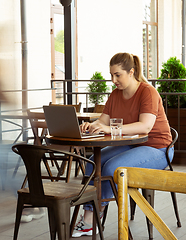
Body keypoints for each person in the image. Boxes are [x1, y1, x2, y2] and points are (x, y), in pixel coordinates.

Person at [72, 52, 173, 237]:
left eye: (117, 75)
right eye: (111, 75)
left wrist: (109, 129)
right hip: (133, 145)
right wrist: (91, 126)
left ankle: (96, 213)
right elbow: (103, 121)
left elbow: (145, 126)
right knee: (93, 161)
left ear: (131, 72)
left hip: (158, 148)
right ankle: (88, 217)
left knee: (112, 167)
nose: (113, 80)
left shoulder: (147, 92)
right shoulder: (116, 94)